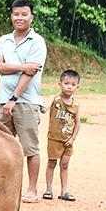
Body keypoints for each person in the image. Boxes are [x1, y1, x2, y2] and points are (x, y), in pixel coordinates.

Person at [0, 0, 48, 203]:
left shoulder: (37, 42)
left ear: (31, 17)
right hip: (1, 101)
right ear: (11, 16)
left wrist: (13, 98)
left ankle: (32, 190)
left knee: (30, 147)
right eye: (16, 14)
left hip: (26, 101)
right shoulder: (4, 40)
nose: (20, 18)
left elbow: (30, 74)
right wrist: (23, 66)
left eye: (24, 14)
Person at [43, 70, 82, 201]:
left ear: (77, 87)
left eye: (73, 84)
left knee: (65, 164)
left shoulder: (76, 105)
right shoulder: (55, 100)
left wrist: (73, 139)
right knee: (52, 163)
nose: (69, 87)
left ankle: (65, 190)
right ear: (60, 84)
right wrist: (47, 101)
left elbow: (78, 123)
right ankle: (49, 189)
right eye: (66, 83)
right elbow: (44, 109)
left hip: (68, 140)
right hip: (54, 138)